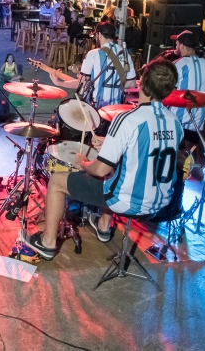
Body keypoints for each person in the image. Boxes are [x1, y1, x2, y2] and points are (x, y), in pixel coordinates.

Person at [26, 59, 183, 259]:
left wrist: (82, 162)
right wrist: (109, 144)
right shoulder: (175, 123)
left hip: (130, 202)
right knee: (115, 171)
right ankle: (103, 226)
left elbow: (99, 170)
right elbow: (145, 154)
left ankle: (47, 243)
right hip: (162, 202)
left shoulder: (127, 119)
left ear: (141, 84)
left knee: (58, 180)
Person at [49, 22, 136, 108]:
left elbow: (82, 83)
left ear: (100, 35)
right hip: (116, 109)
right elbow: (131, 84)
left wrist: (59, 82)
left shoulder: (93, 54)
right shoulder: (125, 55)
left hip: (96, 108)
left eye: (96, 35)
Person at [168, 30, 205, 153]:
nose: (175, 46)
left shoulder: (177, 65)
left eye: (177, 44)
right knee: (190, 156)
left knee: (174, 156)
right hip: (197, 121)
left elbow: (169, 93)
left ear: (182, 46)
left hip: (176, 119)